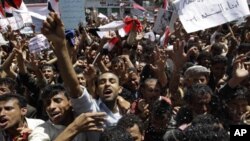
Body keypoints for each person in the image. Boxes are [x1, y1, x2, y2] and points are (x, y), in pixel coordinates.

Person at [29, 84, 106, 141]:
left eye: (58, 100)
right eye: (47, 103)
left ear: (70, 102)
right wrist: (74, 128)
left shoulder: (83, 119)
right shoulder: (41, 130)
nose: (51, 107)